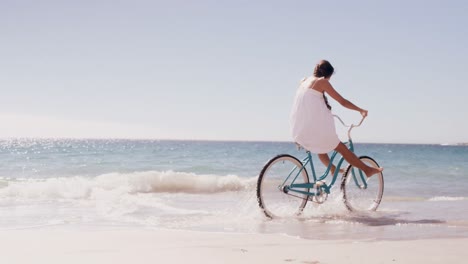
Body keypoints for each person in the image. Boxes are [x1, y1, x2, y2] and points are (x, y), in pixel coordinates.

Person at [290, 60, 383, 177]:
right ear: (327, 75)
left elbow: (309, 100)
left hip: (298, 129)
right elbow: (342, 101)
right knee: (342, 149)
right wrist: (360, 110)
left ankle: (333, 169)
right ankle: (367, 170)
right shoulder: (322, 82)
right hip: (311, 129)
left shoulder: (304, 81)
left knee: (321, 148)